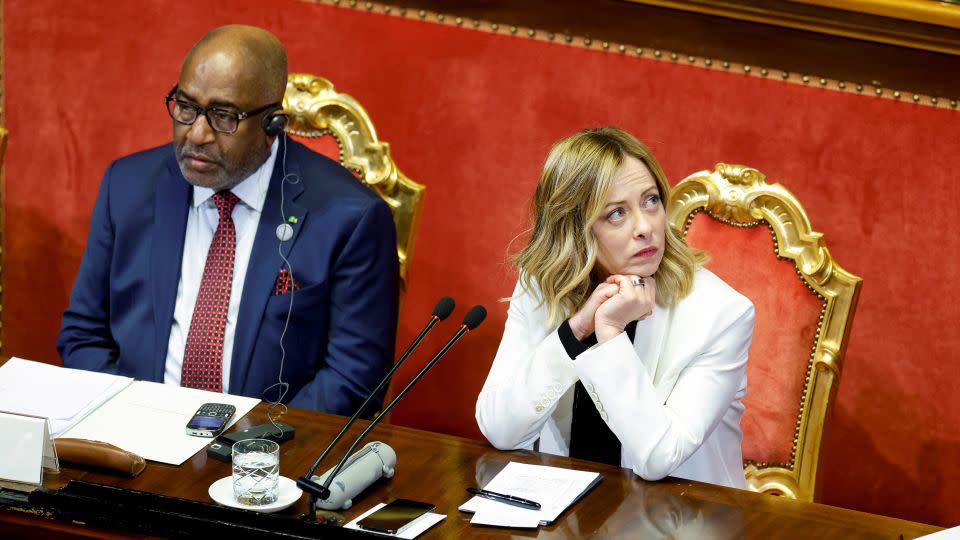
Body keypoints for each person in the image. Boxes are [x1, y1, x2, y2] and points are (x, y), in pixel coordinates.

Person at [57, 25, 399, 415]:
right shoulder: (129, 186)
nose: (197, 134)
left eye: (223, 116)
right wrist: (131, 419)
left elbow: (354, 378)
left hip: (268, 455)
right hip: (136, 436)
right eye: (186, 107)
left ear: (273, 125)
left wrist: (253, 445)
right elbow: (84, 334)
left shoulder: (350, 218)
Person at [476, 127, 754, 488]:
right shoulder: (544, 285)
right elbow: (499, 428)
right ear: (575, 229)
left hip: (679, 520)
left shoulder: (720, 314)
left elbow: (659, 458)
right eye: (617, 213)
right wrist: (574, 332)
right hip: (563, 516)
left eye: (650, 200)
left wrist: (609, 334)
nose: (645, 227)